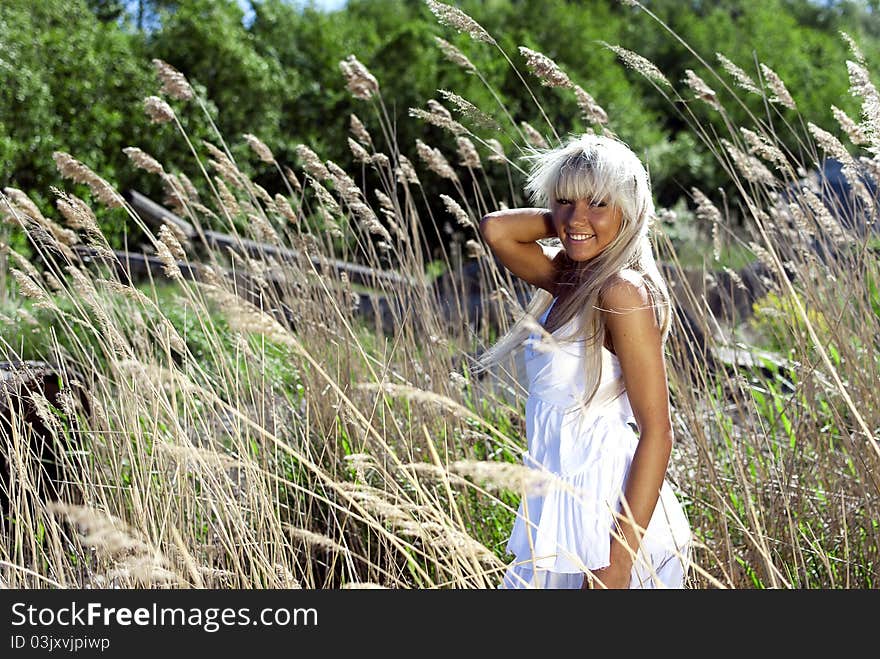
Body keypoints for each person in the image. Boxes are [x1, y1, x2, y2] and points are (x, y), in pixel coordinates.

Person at [475, 133, 691, 589]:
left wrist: (618, 562)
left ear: (629, 212)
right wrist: (579, 223)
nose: (577, 217)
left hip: (607, 517)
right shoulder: (573, 282)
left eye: (598, 202)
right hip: (559, 509)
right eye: (565, 201)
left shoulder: (623, 292)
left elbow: (658, 433)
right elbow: (497, 229)